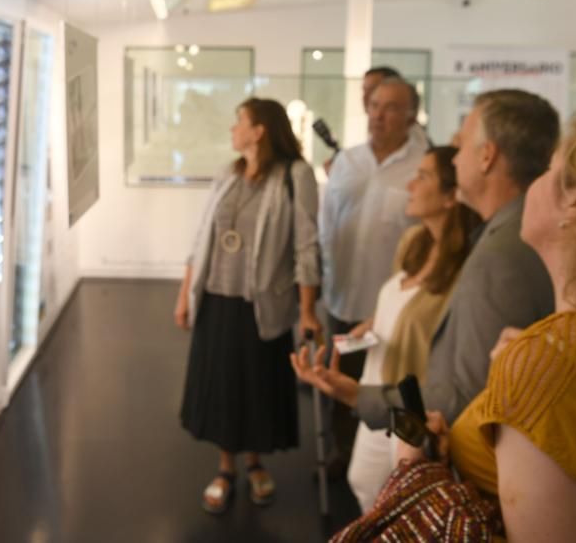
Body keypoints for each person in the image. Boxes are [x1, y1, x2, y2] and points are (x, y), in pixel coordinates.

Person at [395, 106, 576, 541]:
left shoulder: (548, 368)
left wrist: (416, 470)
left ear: (575, 199)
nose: (532, 185)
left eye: (548, 169)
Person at [297, 89, 559, 431]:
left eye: (461, 145)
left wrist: (359, 396)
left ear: (487, 157)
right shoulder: (511, 233)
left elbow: (468, 396)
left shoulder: (500, 257)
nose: (453, 159)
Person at [175, 97, 322, 514]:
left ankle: (255, 462)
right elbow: (201, 236)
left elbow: (307, 248)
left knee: (256, 386)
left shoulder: (295, 176)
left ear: (259, 130)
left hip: (262, 305)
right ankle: (225, 467)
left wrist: (308, 310)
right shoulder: (227, 173)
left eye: (239, 120)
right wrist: (184, 295)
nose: (232, 128)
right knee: (221, 387)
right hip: (217, 301)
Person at [345, 146, 482, 510]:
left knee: (402, 504)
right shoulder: (414, 242)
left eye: (422, 177)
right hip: (378, 386)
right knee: (363, 482)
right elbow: (402, 305)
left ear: (452, 196)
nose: (410, 185)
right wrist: (373, 324)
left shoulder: (467, 268)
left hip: (414, 404)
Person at [318, 77, 427, 477]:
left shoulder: (422, 169)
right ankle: (340, 457)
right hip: (343, 302)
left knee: (389, 388)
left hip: (394, 314)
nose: (379, 115)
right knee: (338, 385)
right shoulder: (347, 161)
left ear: (412, 115)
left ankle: (393, 472)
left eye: (392, 107)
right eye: (375, 105)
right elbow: (326, 227)